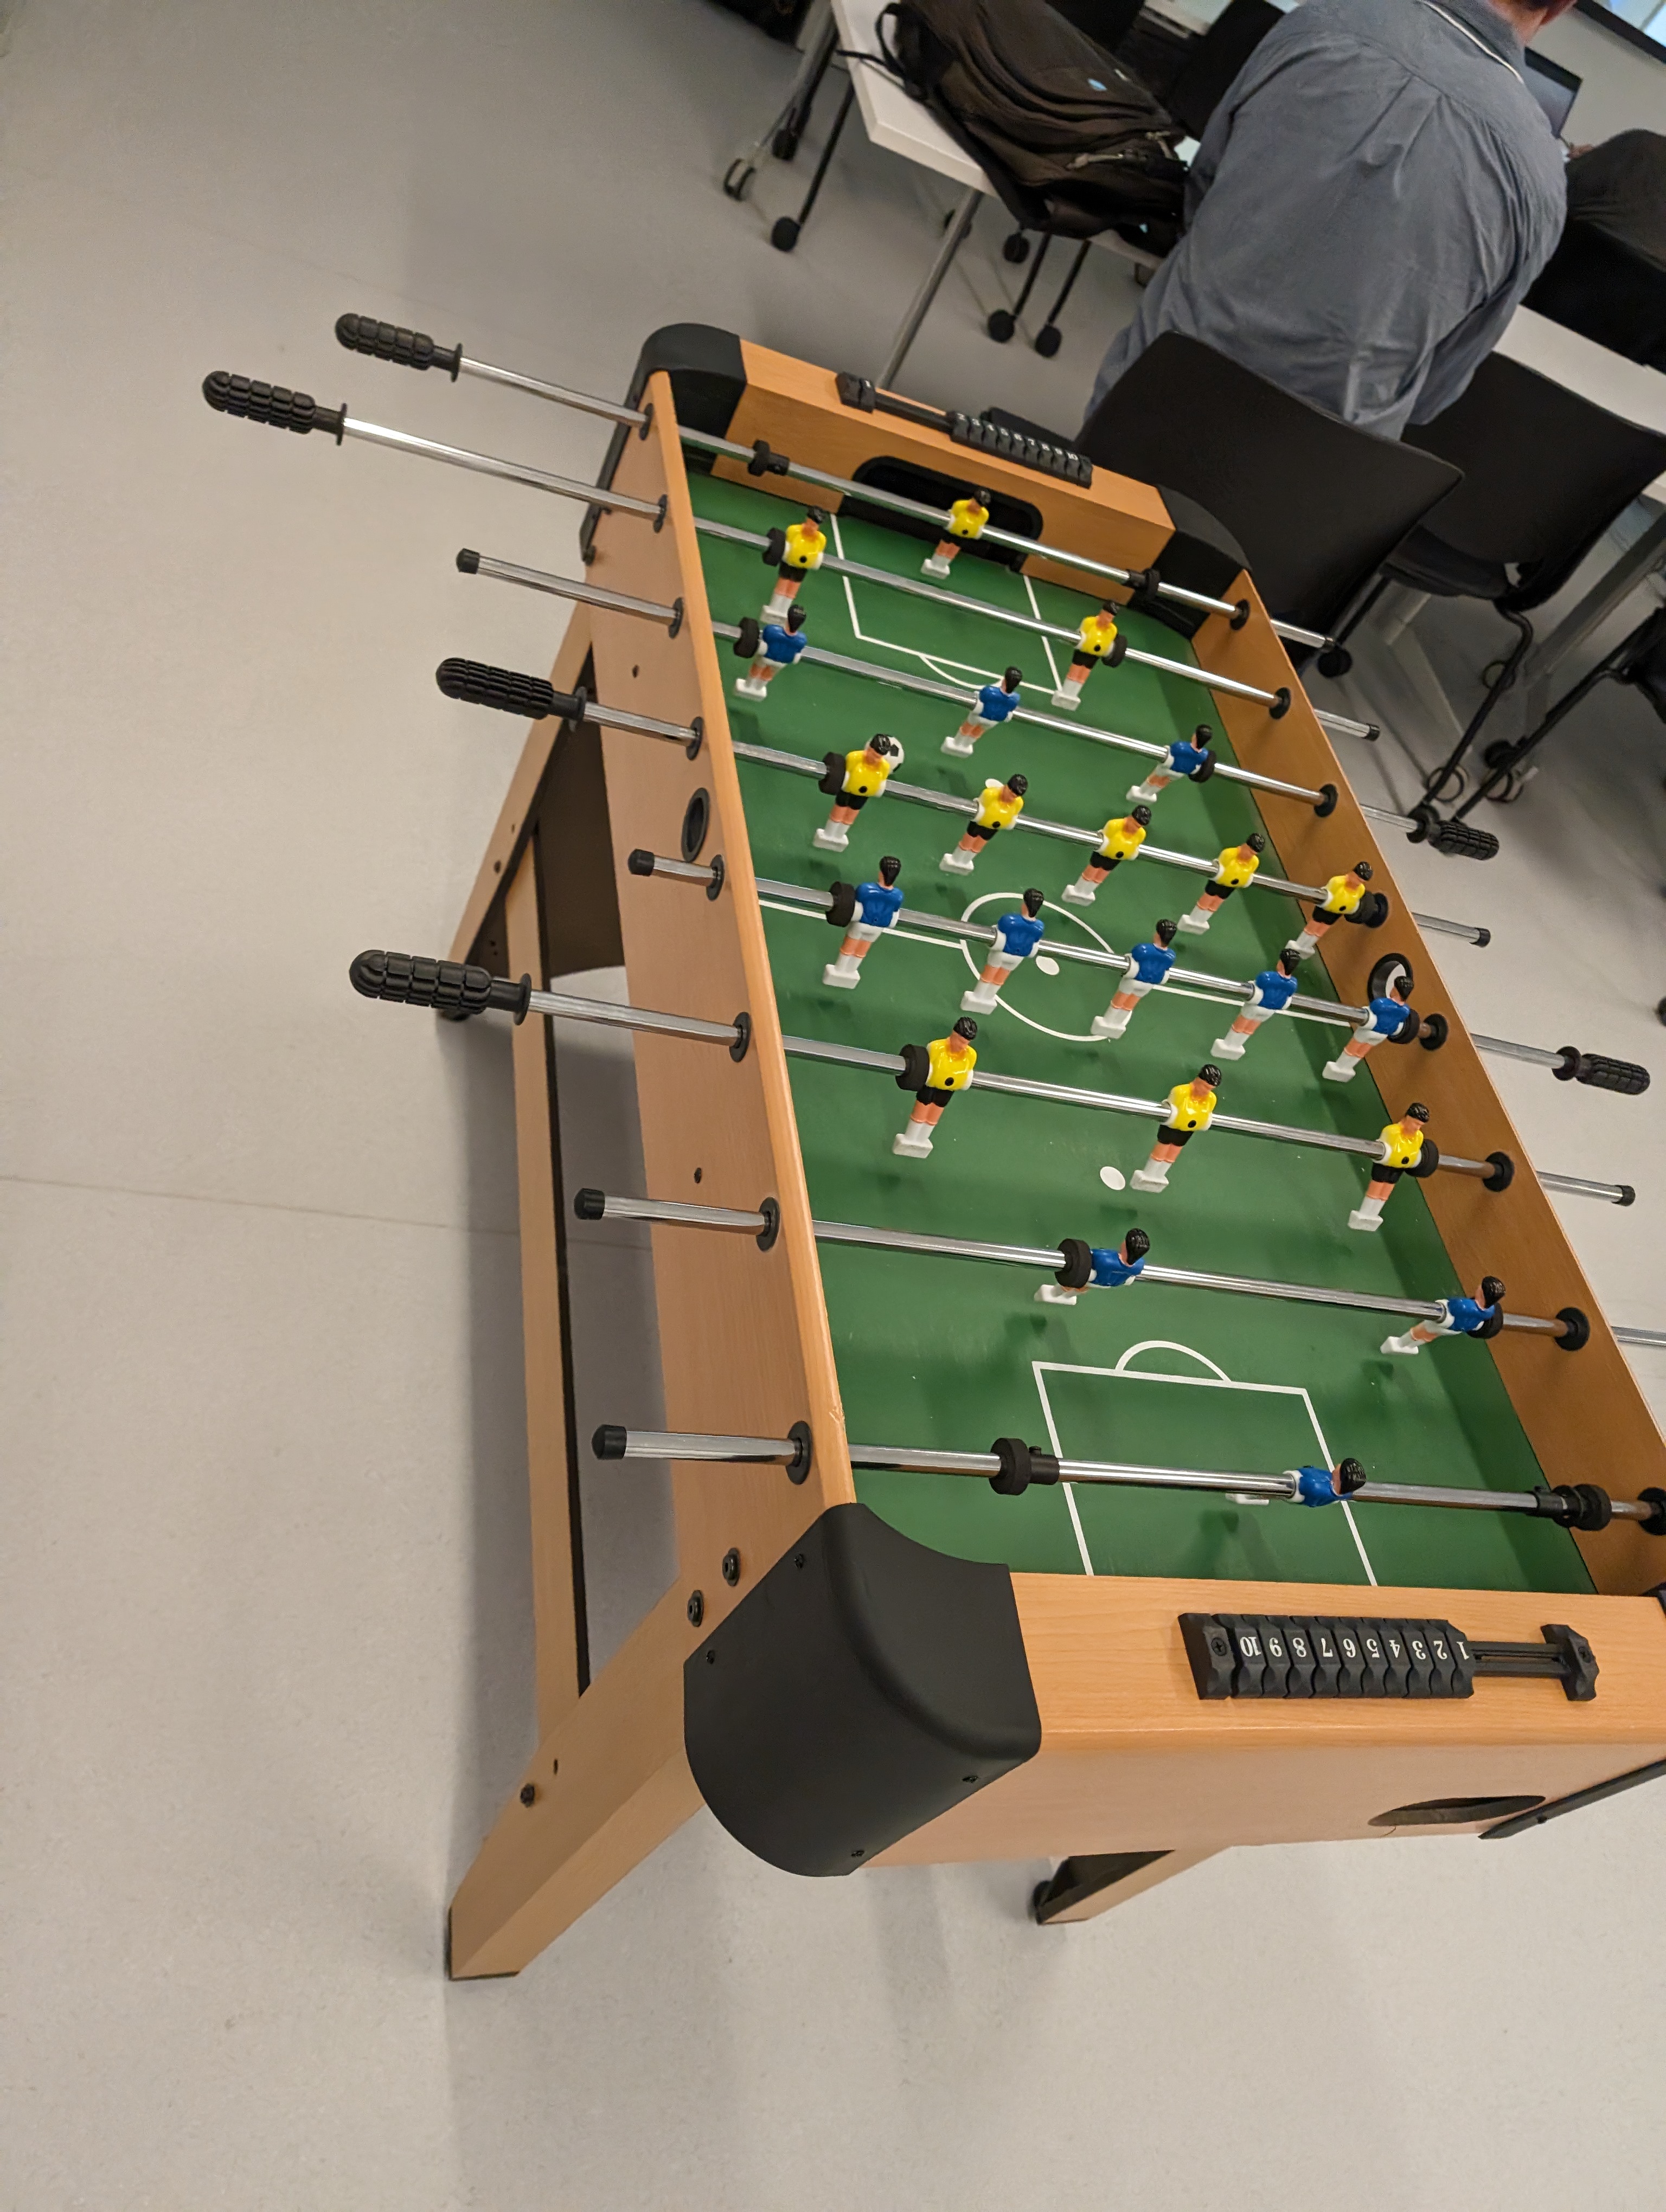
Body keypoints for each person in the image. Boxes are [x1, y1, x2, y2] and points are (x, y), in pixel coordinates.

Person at [1085, 0, 1573, 439]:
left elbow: (1202, 194)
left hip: (1147, 409)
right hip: (1312, 481)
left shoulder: (1321, 23)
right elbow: (1434, 392)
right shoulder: (1541, 179)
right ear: (1561, 7)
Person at [1564, 131, 1666, 273]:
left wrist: (1599, 160)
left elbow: (1557, 186)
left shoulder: (1640, 145)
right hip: (1638, 281)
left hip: (1565, 263)